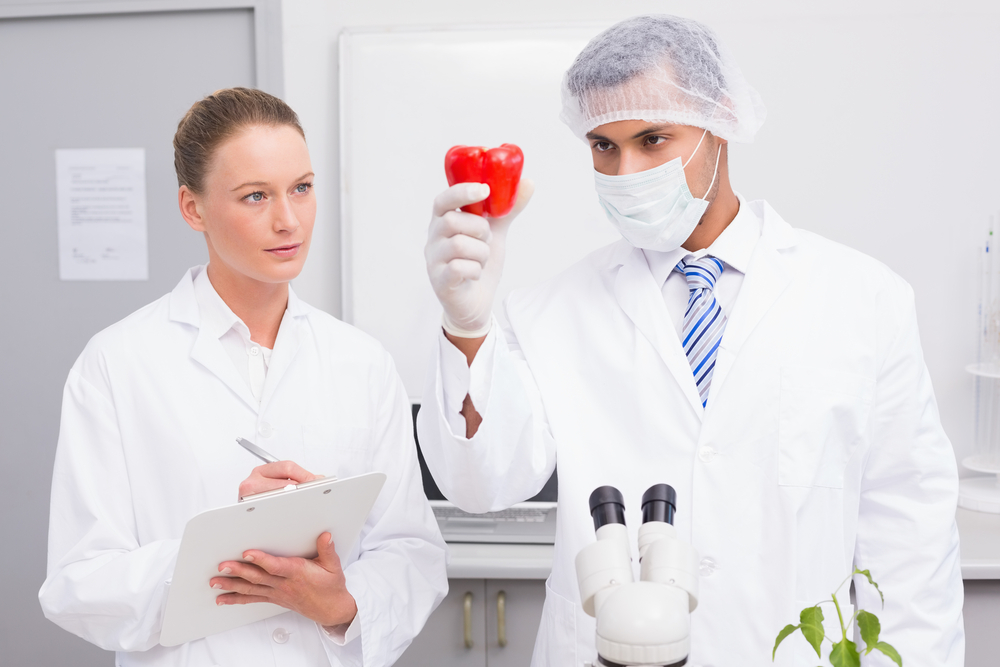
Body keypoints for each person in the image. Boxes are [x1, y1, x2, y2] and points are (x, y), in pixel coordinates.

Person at [418, 15, 964, 666]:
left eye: (653, 138)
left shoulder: (864, 299)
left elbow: (910, 538)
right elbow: (482, 485)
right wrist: (467, 326)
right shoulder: (549, 312)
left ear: (722, 119)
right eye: (603, 145)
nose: (626, 171)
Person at [38, 87, 447, 666]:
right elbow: (78, 584)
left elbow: (412, 551)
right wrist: (231, 555)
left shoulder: (361, 361)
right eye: (255, 196)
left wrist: (338, 602)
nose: (288, 220)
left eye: (301, 188)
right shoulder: (116, 362)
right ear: (192, 207)